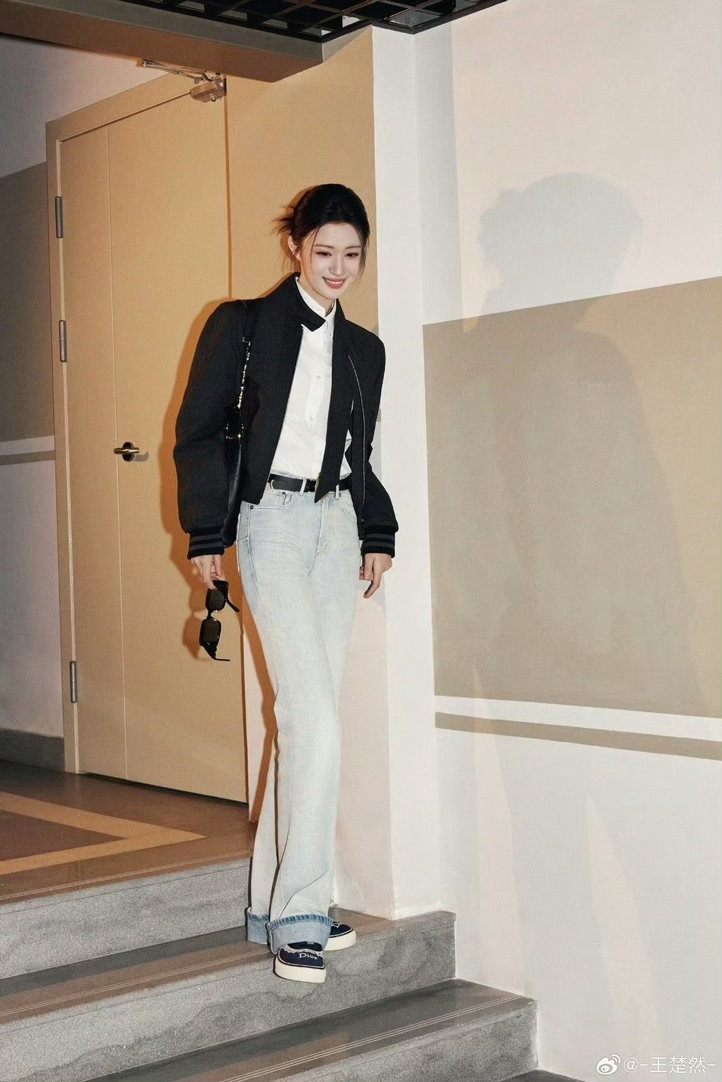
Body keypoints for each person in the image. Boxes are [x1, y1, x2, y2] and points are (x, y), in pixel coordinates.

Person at [173, 183, 398, 984]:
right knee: (313, 721)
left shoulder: (365, 349)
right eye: (323, 251)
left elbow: (361, 452)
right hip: (268, 521)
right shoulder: (240, 326)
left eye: (352, 255)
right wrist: (208, 531)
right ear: (295, 247)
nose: (337, 267)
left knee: (308, 719)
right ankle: (303, 910)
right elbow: (199, 432)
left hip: (336, 527)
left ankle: (271, 904)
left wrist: (377, 531)